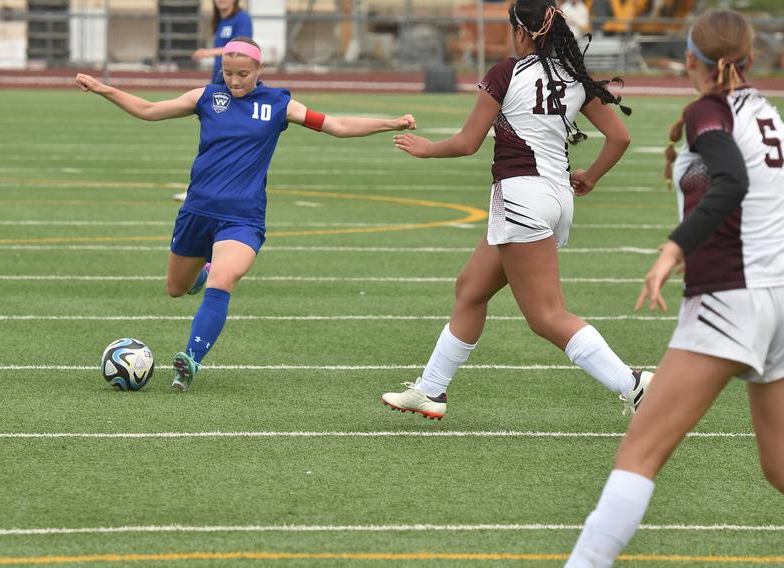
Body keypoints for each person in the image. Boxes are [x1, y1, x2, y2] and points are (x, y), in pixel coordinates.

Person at [566, 10, 784, 566]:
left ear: (691, 60)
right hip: (777, 300)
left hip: (732, 300)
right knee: (779, 466)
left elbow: (731, 179)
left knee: (640, 451)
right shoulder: (767, 113)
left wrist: (674, 248)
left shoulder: (708, 111)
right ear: (751, 61)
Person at [75, 38, 416, 392]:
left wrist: (390, 123)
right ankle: (202, 272)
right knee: (176, 288)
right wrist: (104, 89)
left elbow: (337, 125)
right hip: (196, 212)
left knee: (224, 280)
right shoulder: (205, 97)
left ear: (259, 71)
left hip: (243, 218)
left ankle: (190, 360)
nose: (235, 81)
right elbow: (148, 109)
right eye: (228, 73)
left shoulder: (279, 104)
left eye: (243, 74)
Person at [382, 0, 647, 420]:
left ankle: (633, 385)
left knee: (546, 316)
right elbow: (620, 138)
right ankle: (431, 389)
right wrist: (592, 177)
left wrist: (427, 149)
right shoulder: (574, 75)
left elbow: (468, 142)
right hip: (556, 197)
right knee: (471, 289)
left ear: (522, 32)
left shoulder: (506, 72)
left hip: (521, 197)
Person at [174, 0, 254, 203]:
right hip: (219, 89)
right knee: (211, 141)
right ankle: (200, 187)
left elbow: (242, 49)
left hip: (233, 91)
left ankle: (208, 188)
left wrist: (209, 52)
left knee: (222, 141)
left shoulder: (241, 19)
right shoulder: (222, 21)